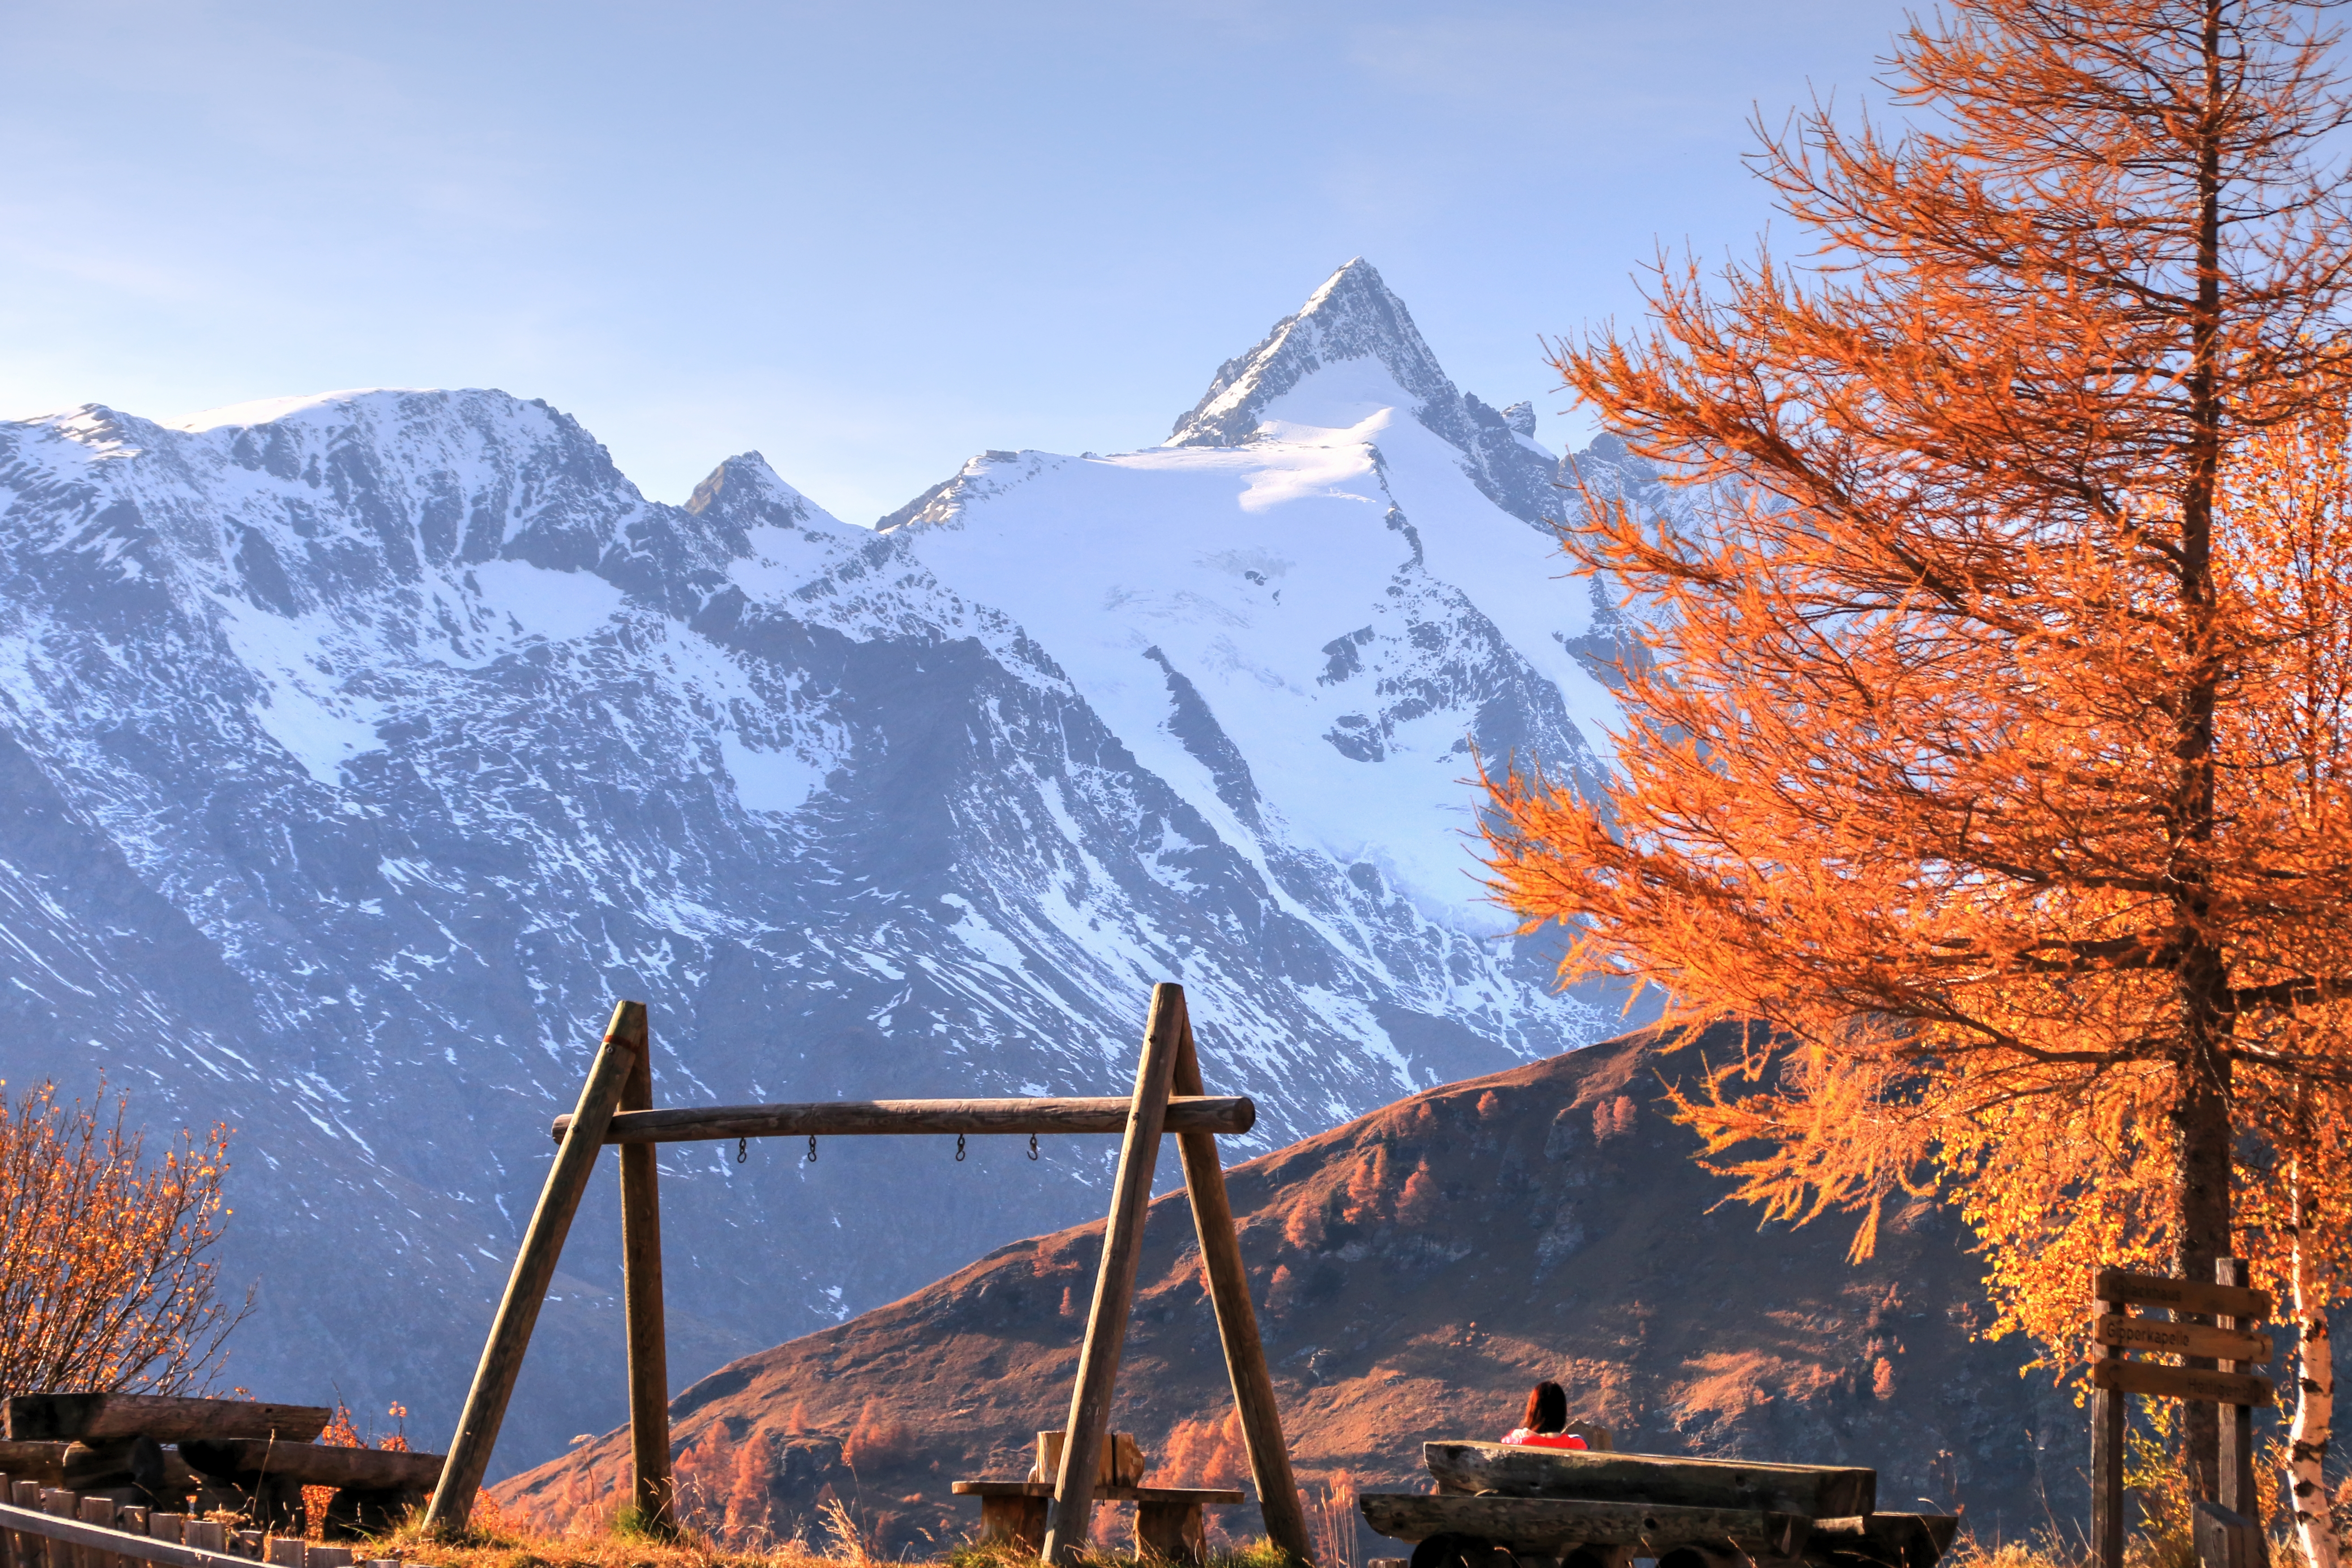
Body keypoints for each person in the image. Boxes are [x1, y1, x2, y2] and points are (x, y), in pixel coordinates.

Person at [1499, 1380, 1587, 1449]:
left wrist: (1514, 1435)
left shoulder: (1520, 1442)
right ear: (1562, 1413)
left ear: (1533, 1412)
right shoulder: (1576, 1445)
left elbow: (1503, 1447)